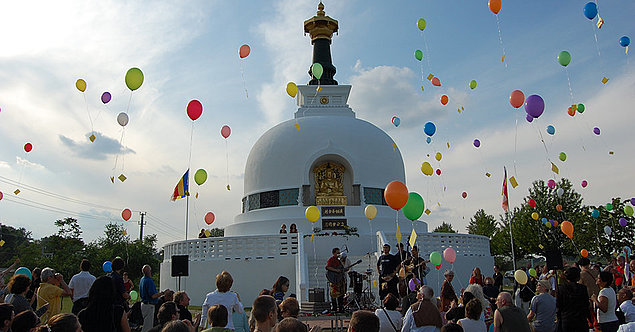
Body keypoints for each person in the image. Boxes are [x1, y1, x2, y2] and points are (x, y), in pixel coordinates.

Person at [556, 267, 590, 332]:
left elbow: (559, 305)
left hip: (566, 319)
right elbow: (586, 304)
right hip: (580, 319)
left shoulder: (561, 288)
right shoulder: (582, 288)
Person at [139, 264, 165, 332]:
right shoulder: (149, 281)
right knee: (148, 326)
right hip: (149, 304)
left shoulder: (142, 279)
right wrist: (162, 293)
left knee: (146, 323)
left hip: (143, 304)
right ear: (149, 271)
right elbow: (153, 295)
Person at [326, 248, 346, 312]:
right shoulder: (331, 259)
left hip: (340, 279)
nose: (338, 254)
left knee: (341, 293)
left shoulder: (339, 260)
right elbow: (328, 267)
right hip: (334, 280)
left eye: (339, 253)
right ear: (333, 253)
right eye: (337, 253)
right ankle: (334, 308)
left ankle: (340, 307)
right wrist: (336, 270)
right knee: (334, 294)